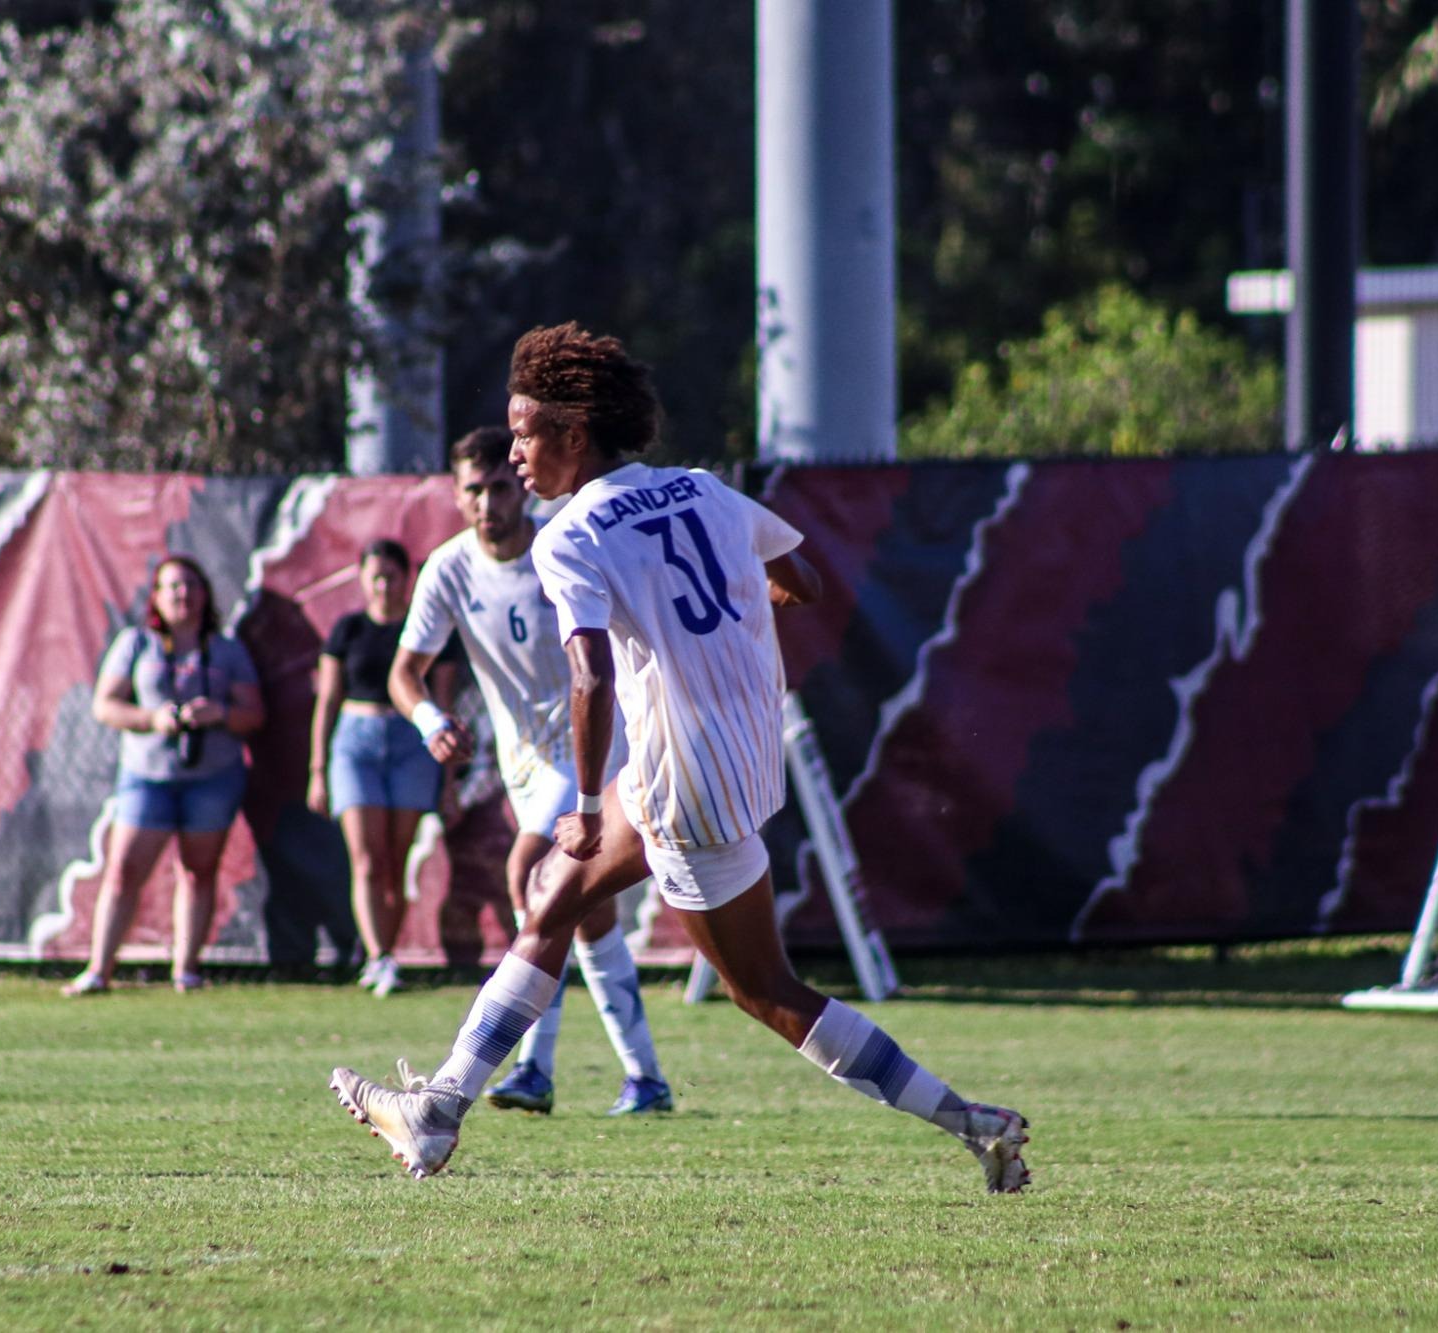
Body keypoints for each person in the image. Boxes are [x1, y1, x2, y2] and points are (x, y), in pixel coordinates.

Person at [330, 323, 1031, 1192]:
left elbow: (588, 671)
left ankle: (974, 1123)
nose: (513, 453)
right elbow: (803, 579)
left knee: (766, 990)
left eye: (523, 431)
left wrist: (584, 803)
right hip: (735, 757)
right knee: (551, 895)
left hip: (678, 784)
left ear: (573, 435)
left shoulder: (567, 535)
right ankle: (438, 1109)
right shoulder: (704, 488)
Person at [388, 424, 672, 1116]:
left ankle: (534, 1068)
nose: (489, 503)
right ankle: (645, 1077)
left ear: (521, 487)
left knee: (531, 874)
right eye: (474, 491)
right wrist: (431, 721)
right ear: (457, 498)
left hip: (596, 746)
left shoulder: (560, 542)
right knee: (587, 909)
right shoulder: (449, 569)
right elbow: (406, 673)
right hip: (524, 765)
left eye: (500, 487)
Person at [65, 555, 265, 996]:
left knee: (198, 871)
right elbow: (105, 705)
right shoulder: (136, 644)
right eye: (172, 587)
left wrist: (220, 713)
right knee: (123, 871)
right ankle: (99, 970)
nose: (183, 595)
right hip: (147, 776)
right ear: (156, 595)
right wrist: (154, 718)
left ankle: (186, 970)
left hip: (212, 777)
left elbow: (254, 714)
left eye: (191, 586)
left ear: (205, 594)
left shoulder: (227, 649)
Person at [309, 538, 457, 997]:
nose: (383, 586)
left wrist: (448, 783)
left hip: (413, 742)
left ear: (406, 579)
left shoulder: (427, 629)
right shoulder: (347, 629)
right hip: (356, 742)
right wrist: (317, 768)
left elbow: (445, 703)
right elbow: (328, 701)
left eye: (391, 576)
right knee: (367, 859)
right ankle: (376, 955)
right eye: (374, 576)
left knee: (396, 859)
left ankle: (386, 955)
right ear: (361, 579)